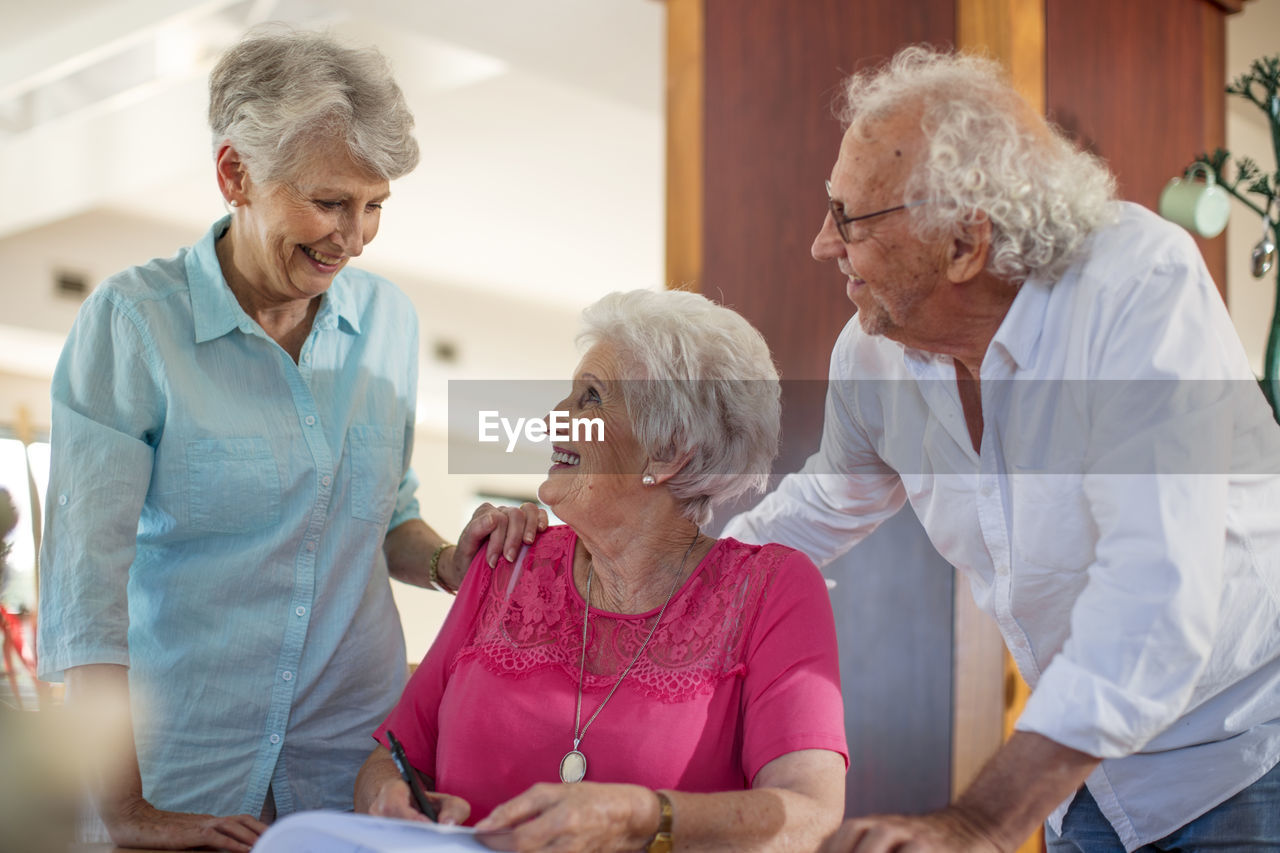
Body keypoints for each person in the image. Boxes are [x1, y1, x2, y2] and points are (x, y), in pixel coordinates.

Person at [722, 46, 1280, 853]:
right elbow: (815, 510)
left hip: (1244, 758)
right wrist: (591, 576)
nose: (821, 244)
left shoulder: (1137, 287)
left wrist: (980, 822)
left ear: (965, 244)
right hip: (1085, 782)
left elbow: (1154, 590)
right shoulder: (873, 351)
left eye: (851, 219)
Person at [37, 29, 543, 853]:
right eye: (330, 202)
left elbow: (384, 512)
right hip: (181, 765)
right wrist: (127, 806)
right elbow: (84, 587)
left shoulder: (387, 323)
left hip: (350, 763)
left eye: (375, 205)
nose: (356, 235)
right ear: (235, 174)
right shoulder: (135, 323)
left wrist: (452, 559)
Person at [354, 289, 848, 852]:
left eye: (590, 399)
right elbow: (389, 758)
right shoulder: (509, 562)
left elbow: (810, 816)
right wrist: (388, 799)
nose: (551, 420)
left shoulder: (771, 589)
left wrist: (641, 816)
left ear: (668, 452)